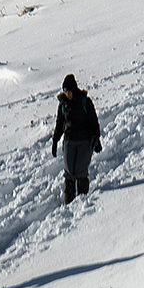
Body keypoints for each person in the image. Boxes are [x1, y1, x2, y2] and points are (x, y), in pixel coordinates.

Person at [50, 73, 101, 204]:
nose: (67, 94)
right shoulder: (63, 104)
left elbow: (93, 121)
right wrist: (55, 140)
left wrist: (96, 138)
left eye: (69, 91)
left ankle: (83, 201)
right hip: (69, 141)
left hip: (85, 141)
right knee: (69, 172)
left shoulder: (85, 101)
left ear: (74, 89)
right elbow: (60, 123)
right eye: (65, 91)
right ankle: (69, 202)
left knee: (81, 171)